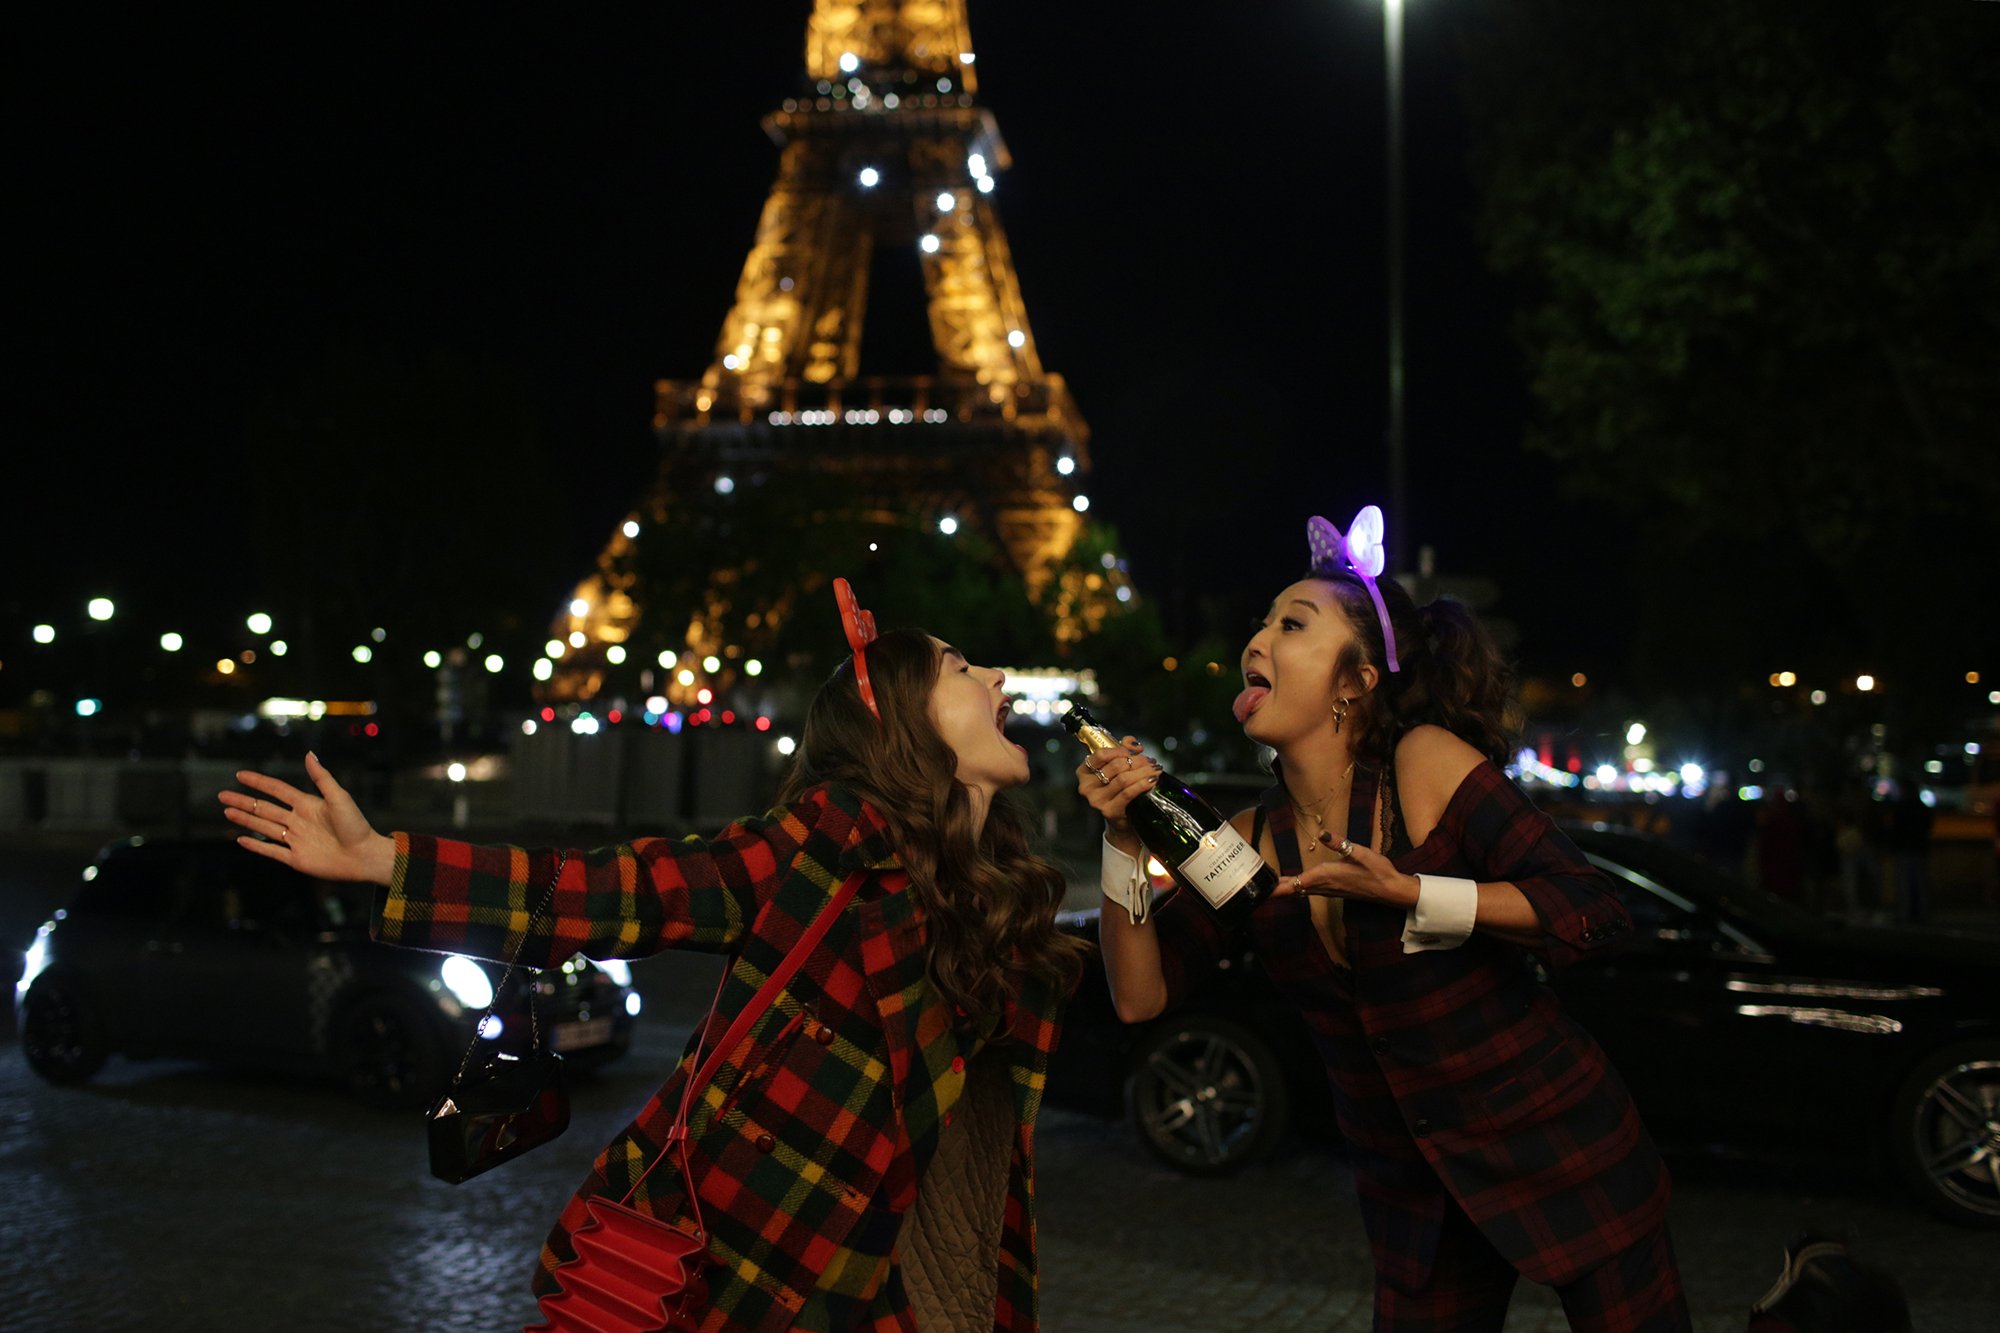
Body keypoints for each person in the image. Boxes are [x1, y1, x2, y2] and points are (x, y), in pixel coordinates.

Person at [220, 582, 1086, 1333]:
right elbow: (629, 889)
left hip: (943, 1277)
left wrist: (1135, 834)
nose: (998, 677)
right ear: (901, 718)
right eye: (963, 668)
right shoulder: (831, 842)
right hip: (773, 1275)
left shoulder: (997, 895)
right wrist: (388, 861)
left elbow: (1131, 990)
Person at [1078, 509, 1689, 1331]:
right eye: (1261, 621)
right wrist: (1122, 837)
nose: (1258, 639)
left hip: (1561, 1148)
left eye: (1292, 624)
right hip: (1413, 1198)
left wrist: (1416, 895)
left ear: (1356, 681)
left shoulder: (1422, 763)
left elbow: (1594, 908)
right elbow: (1140, 997)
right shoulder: (1249, 841)